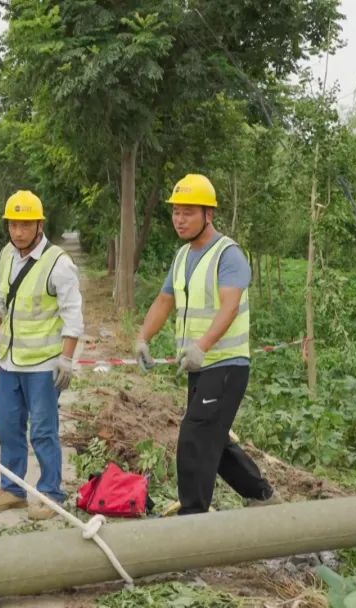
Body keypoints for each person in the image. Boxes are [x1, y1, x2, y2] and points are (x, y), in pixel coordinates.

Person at [134, 174, 277, 515]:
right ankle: (262, 495)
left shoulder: (228, 255)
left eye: (188, 213)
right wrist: (143, 338)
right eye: (176, 213)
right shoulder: (182, 256)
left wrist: (203, 345)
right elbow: (164, 300)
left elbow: (229, 306)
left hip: (226, 364)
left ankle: (193, 518)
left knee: (195, 437)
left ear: (208, 215)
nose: (179, 220)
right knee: (215, 437)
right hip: (200, 367)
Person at [0, 190, 83, 520]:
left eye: (25, 225)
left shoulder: (59, 264)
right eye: (13, 225)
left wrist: (66, 358)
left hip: (43, 365)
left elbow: (73, 314)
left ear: (39, 225)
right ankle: (12, 490)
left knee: (42, 430)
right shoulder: (7, 255)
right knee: (8, 427)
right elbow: (0, 299)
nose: (18, 232)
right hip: (10, 361)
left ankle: (51, 493)